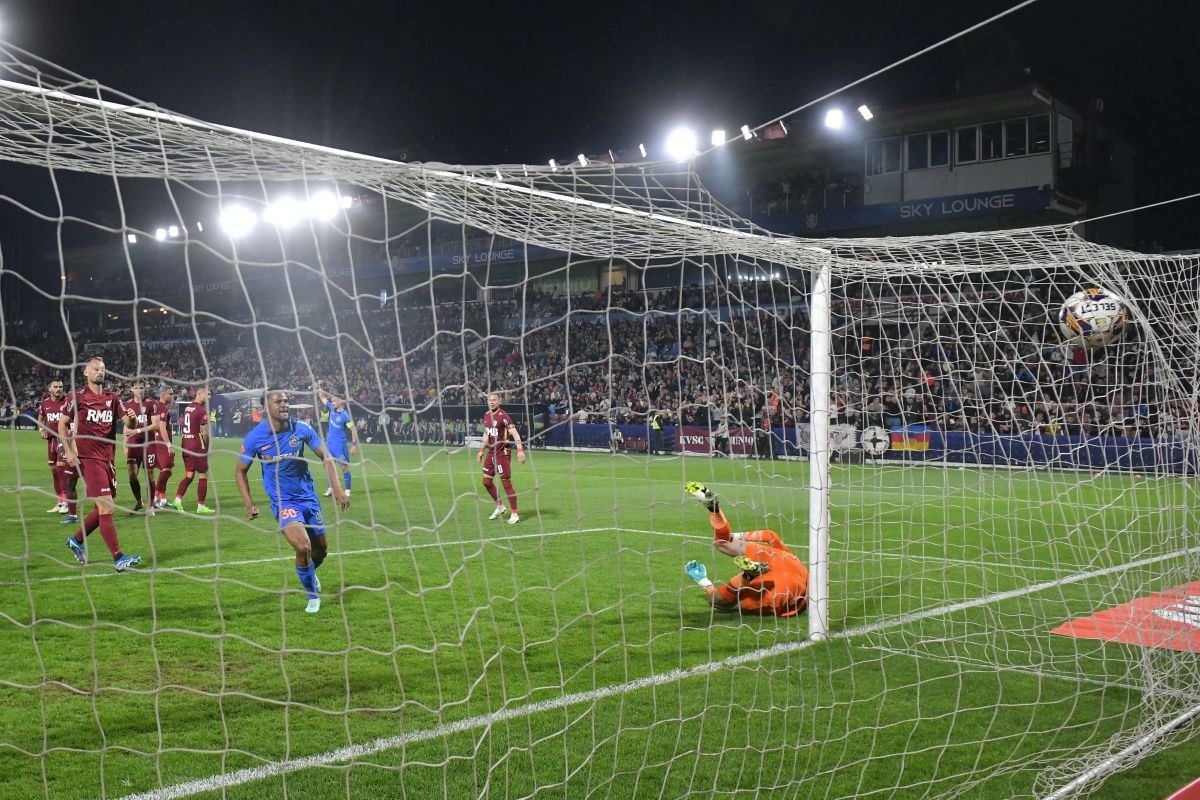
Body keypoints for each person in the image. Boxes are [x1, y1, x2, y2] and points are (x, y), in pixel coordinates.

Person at [235, 390, 349, 613]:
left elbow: (325, 455)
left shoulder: (302, 428)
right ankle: (312, 596)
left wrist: (337, 488)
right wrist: (249, 503)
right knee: (302, 546)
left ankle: (308, 573)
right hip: (284, 501)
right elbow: (240, 472)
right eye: (279, 401)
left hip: (309, 498)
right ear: (266, 409)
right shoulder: (255, 438)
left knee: (321, 551)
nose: (285, 404)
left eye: (286, 401)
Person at [58, 357, 142, 572]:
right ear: (86, 372)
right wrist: (68, 451)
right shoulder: (77, 397)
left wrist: (132, 418)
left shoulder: (113, 398)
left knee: (103, 506)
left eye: (103, 369)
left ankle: (76, 540)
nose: (100, 372)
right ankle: (118, 558)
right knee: (107, 506)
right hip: (89, 459)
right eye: (95, 369)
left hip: (108, 459)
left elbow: (129, 424)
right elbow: (62, 423)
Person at [681, 482, 808, 617]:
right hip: (791, 575)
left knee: (720, 603)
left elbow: (770, 535)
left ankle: (714, 509)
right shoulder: (809, 591)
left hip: (784, 572)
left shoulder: (777, 589)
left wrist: (731, 537)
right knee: (721, 601)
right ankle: (748, 574)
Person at [477, 392, 525, 524]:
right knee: (486, 482)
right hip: (491, 453)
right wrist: (481, 450)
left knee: (506, 483)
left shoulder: (504, 416)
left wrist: (520, 451)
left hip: (502, 453)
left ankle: (514, 514)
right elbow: (486, 434)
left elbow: (515, 433)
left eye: (494, 400)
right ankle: (500, 507)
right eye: (489, 400)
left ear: (499, 402)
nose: (491, 402)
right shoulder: (486, 415)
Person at [170, 386, 214, 515]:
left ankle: (177, 501)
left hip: (186, 445)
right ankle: (201, 506)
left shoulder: (189, 407)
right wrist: (207, 447)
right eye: (208, 394)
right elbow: (204, 433)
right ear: (200, 394)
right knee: (203, 475)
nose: (210, 397)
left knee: (189, 475)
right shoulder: (201, 410)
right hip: (197, 446)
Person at [122, 380, 162, 514]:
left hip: (148, 444)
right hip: (133, 444)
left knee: (149, 475)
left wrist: (137, 431)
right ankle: (139, 502)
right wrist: (124, 444)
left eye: (142, 387)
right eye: (136, 388)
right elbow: (126, 426)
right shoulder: (127, 405)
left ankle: (150, 506)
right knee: (132, 475)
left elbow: (156, 425)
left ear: (145, 388)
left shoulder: (152, 403)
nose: (140, 390)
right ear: (131, 389)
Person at [317, 385, 358, 497]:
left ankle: (347, 491)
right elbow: (322, 397)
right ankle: (331, 488)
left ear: (340, 402)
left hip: (340, 445)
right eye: (332, 400)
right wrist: (320, 386)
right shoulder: (331, 408)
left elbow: (353, 430)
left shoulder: (345, 416)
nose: (332, 402)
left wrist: (354, 445)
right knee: (329, 466)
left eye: (334, 401)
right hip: (329, 444)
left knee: (344, 467)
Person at [37, 379, 69, 514]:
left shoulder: (68, 401)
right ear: (50, 389)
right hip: (51, 441)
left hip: (64, 440)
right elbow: (41, 418)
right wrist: (41, 429)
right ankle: (60, 502)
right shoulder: (45, 403)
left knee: (62, 472)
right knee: (55, 473)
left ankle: (67, 502)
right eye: (55, 387)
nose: (58, 389)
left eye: (60, 387)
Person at [152, 386, 176, 509]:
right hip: (162, 443)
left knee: (165, 470)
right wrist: (169, 445)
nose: (172, 396)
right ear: (163, 394)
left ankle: (163, 500)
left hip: (159, 442)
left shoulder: (158, 407)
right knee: (167, 470)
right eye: (170, 394)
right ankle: (154, 499)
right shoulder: (162, 408)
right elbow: (161, 427)